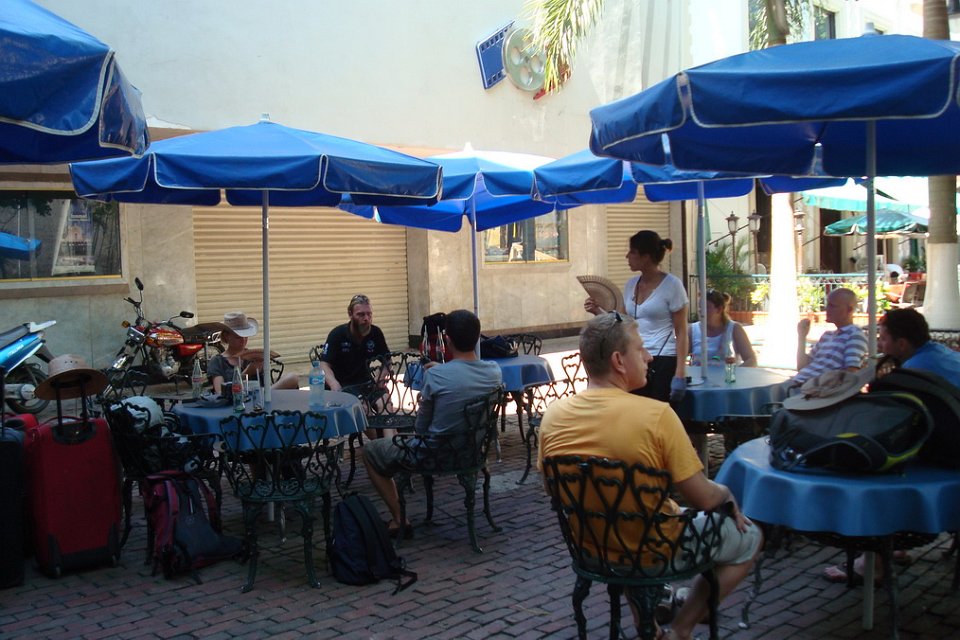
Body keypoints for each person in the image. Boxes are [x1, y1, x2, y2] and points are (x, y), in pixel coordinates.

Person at [538, 312, 761, 640]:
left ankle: (651, 627)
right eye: (641, 348)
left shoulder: (553, 417)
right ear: (618, 361)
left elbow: (553, 489)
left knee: (627, 514)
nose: (650, 356)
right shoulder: (656, 416)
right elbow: (702, 497)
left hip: (593, 548)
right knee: (750, 536)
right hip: (655, 549)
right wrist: (727, 494)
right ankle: (681, 629)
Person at [823, 307, 960, 585]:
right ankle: (896, 545)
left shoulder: (914, 373)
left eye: (883, 338)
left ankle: (873, 562)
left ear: (902, 344)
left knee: (884, 473)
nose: (879, 343)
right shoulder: (939, 353)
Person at [362, 309, 502, 538]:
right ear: (477, 337)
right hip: (473, 452)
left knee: (370, 452)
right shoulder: (494, 372)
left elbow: (421, 428)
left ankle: (399, 518)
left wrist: (436, 381)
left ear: (447, 339)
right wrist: (443, 373)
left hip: (434, 454)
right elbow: (464, 376)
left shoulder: (437, 377)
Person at [584, 229, 688, 403]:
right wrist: (598, 311)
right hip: (635, 356)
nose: (627, 256)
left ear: (645, 257)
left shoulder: (673, 285)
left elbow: (682, 332)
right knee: (635, 406)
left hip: (663, 358)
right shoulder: (631, 285)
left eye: (632, 252)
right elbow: (622, 322)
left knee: (657, 409)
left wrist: (680, 373)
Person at [207, 311, 299, 395]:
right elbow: (220, 392)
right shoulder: (217, 361)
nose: (243, 340)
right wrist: (246, 373)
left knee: (292, 377)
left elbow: (266, 385)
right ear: (227, 336)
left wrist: (264, 368)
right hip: (236, 401)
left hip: (260, 398)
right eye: (238, 337)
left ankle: (266, 395)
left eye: (246, 336)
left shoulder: (253, 356)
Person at [793, 287, 867, 386]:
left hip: (811, 389)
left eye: (832, 306)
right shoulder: (827, 336)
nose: (827, 309)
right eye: (828, 305)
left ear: (849, 310)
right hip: (797, 383)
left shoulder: (854, 335)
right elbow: (802, 367)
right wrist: (802, 337)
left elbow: (850, 375)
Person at [319, 294, 390, 392]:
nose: (366, 318)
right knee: (358, 402)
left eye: (369, 314)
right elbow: (324, 365)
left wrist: (380, 377)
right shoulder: (337, 334)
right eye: (361, 314)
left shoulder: (376, 333)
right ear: (350, 314)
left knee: (385, 398)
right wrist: (334, 384)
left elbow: (387, 360)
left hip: (365, 383)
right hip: (342, 385)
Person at [688, 289, 757, 367]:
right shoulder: (693, 330)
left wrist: (734, 372)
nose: (700, 311)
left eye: (706, 307)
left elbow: (751, 360)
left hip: (727, 374)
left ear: (719, 309)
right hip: (698, 374)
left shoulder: (734, 329)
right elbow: (679, 356)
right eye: (700, 307)